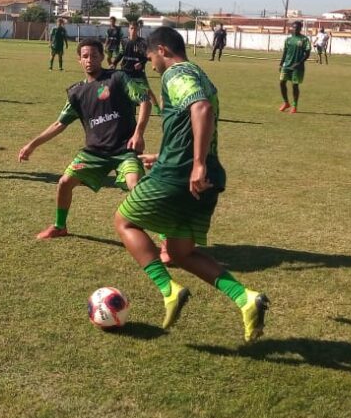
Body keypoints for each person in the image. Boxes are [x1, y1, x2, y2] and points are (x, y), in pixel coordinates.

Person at [114, 26, 269, 340]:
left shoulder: (176, 73)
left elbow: (201, 108)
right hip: (205, 177)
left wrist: (193, 164)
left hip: (181, 175)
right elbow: (193, 122)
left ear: (163, 51)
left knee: (124, 221)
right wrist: (167, 154)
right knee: (180, 252)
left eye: (151, 58)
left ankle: (168, 290)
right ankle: (246, 299)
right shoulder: (199, 73)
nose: (151, 66)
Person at [19, 38, 152, 239]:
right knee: (64, 182)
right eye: (85, 56)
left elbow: (144, 101)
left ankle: (164, 237)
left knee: (135, 185)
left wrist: (138, 133)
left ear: (102, 57)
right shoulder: (76, 92)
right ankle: (59, 226)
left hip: (125, 150)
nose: (90, 60)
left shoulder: (118, 78)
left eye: (94, 56)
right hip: (94, 153)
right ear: (79, 60)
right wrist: (32, 145)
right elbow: (59, 124)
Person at [119, 20, 161, 112]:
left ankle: (157, 109)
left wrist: (141, 63)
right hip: (125, 71)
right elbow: (121, 54)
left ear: (138, 29)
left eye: (135, 28)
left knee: (147, 90)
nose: (133, 30)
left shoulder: (142, 42)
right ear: (128, 29)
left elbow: (148, 56)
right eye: (131, 28)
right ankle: (130, 109)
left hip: (138, 72)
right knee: (126, 92)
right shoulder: (124, 41)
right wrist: (113, 63)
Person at [278, 21, 311, 112]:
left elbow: (307, 54)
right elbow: (285, 52)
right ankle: (286, 103)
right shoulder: (288, 39)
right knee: (281, 83)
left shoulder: (304, 40)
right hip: (286, 65)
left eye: (297, 28)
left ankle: (294, 106)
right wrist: (281, 64)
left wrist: (299, 63)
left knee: (294, 85)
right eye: (293, 27)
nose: (295, 29)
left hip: (297, 67)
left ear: (300, 29)